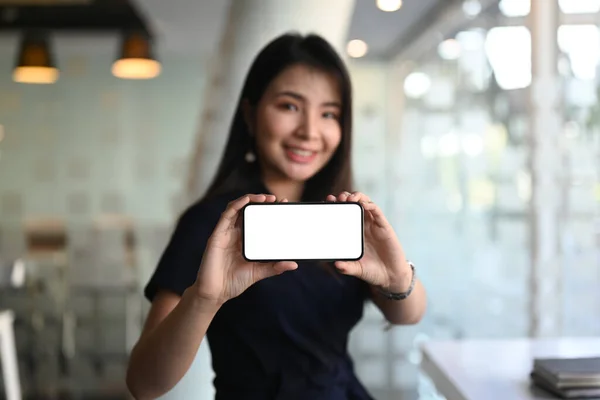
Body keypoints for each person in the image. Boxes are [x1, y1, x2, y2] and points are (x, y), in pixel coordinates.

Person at [126, 32, 427, 400]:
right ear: (251, 114)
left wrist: (398, 279)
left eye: (329, 113)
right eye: (289, 106)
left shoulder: (342, 217)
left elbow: (407, 315)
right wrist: (205, 299)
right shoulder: (213, 224)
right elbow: (144, 384)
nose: (310, 132)